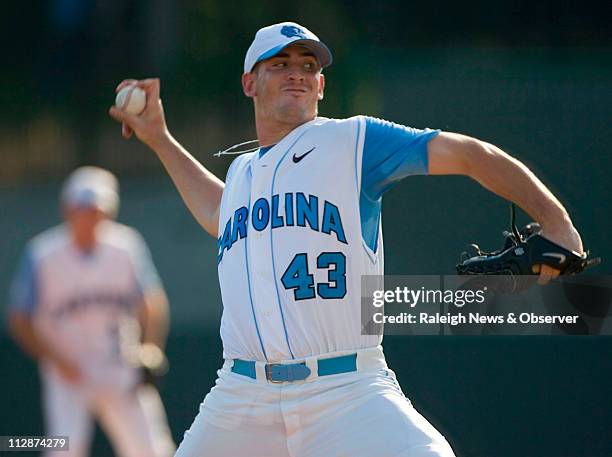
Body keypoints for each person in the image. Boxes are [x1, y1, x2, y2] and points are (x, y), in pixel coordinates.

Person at [109, 22, 583, 457]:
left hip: (344, 389)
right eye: (280, 64)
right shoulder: (242, 172)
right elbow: (218, 212)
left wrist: (555, 221)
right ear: (250, 82)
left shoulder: (353, 142)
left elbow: (469, 154)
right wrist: (159, 138)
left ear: (321, 86)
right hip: (241, 397)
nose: (297, 74)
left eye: (308, 66)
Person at [8, 166, 176, 457]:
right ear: (68, 209)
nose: (89, 217)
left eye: (97, 209)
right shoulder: (43, 253)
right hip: (68, 370)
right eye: (82, 208)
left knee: (151, 450)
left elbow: (152, 301)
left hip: (120, 366)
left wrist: (150, 347)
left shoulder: (126, 245)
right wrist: (54, 359)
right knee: (64, 449)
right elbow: (19, 318)